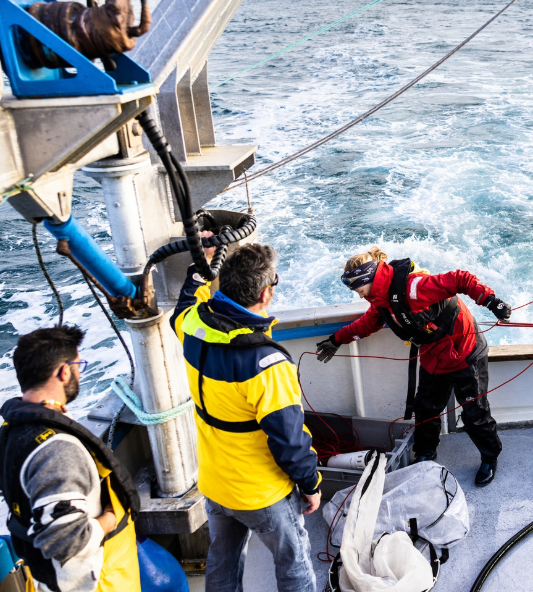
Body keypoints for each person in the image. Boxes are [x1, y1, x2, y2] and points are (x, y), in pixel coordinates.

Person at [171, 242, 322, 592]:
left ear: (222, 284)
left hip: (215, 484)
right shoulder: (267, 365)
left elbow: (183, 307)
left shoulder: (192, 329)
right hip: (261, 493)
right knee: (294, 564)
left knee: (223, 562)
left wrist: (199, 270)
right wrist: (311, 484)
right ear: (266, 293)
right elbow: (289, 441)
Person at [315, 246, 511, 487]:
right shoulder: (379, 300)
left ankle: (490, 457)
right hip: (433, 357)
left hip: (464, 351)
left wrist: (491, 301)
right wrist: (336, 340)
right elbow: (366, 325)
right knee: (426, 409)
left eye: (357, 288)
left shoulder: (415, 287)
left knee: (474, 414)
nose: (357, 294)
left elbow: (461, 279)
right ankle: (426, 453)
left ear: (368, 278)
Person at [1, 325, 141, 592]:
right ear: (64, 372)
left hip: (48, 579)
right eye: (78, 364)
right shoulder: (57, 450)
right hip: (93, 583)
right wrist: (109, 519)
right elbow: (67, 540)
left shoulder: (11, 433)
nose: (79, 371)